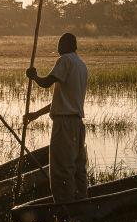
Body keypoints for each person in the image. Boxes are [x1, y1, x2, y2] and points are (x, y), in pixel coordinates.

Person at [24, 33, 89, 202]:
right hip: (77, 123)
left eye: (60, 43)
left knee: (61, 168)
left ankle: (63, 205)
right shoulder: (81, 65)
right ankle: (81, 199)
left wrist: (34, 76)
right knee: (77, 166)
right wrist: (35, 115)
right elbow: (63, 101)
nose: (58, 47)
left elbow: (46, 83)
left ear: (67, 45)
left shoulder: (65, 60)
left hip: (65, 124)